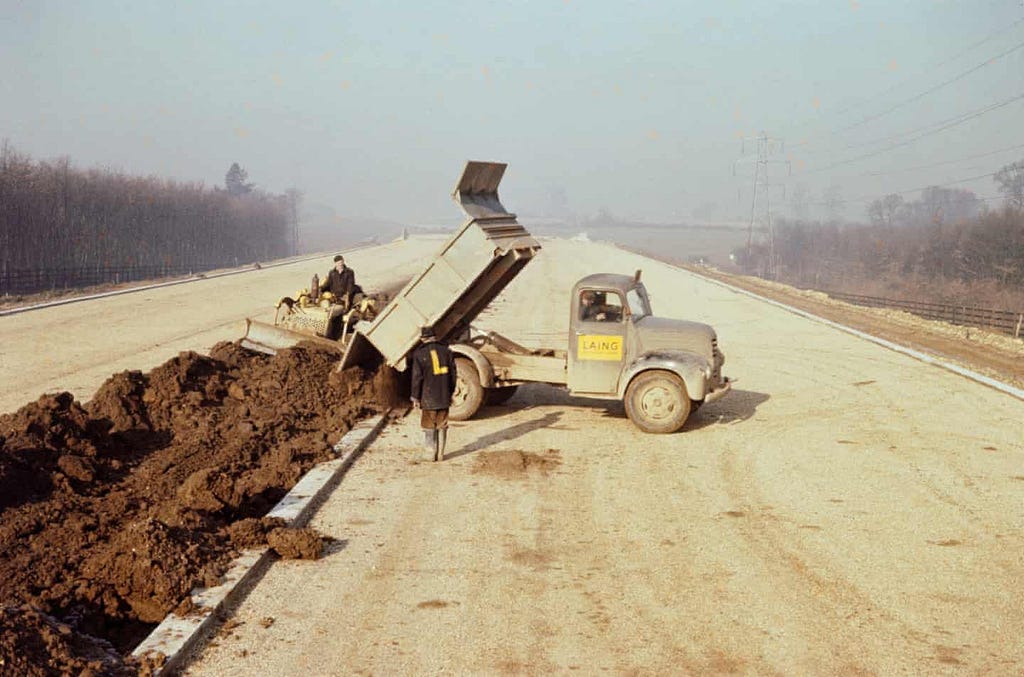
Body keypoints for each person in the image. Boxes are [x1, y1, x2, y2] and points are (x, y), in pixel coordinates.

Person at [410, 325, 457, 462]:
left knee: (428, 424)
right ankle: (441, 453)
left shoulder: (419, 354)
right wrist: (450, 392)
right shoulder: (447, 351)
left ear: (423, 339)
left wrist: (415, 396)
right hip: (443, 395)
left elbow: (417, 378)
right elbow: (453, 376)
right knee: (442, 423)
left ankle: (430, 454)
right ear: (435, 337)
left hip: (428, 396)